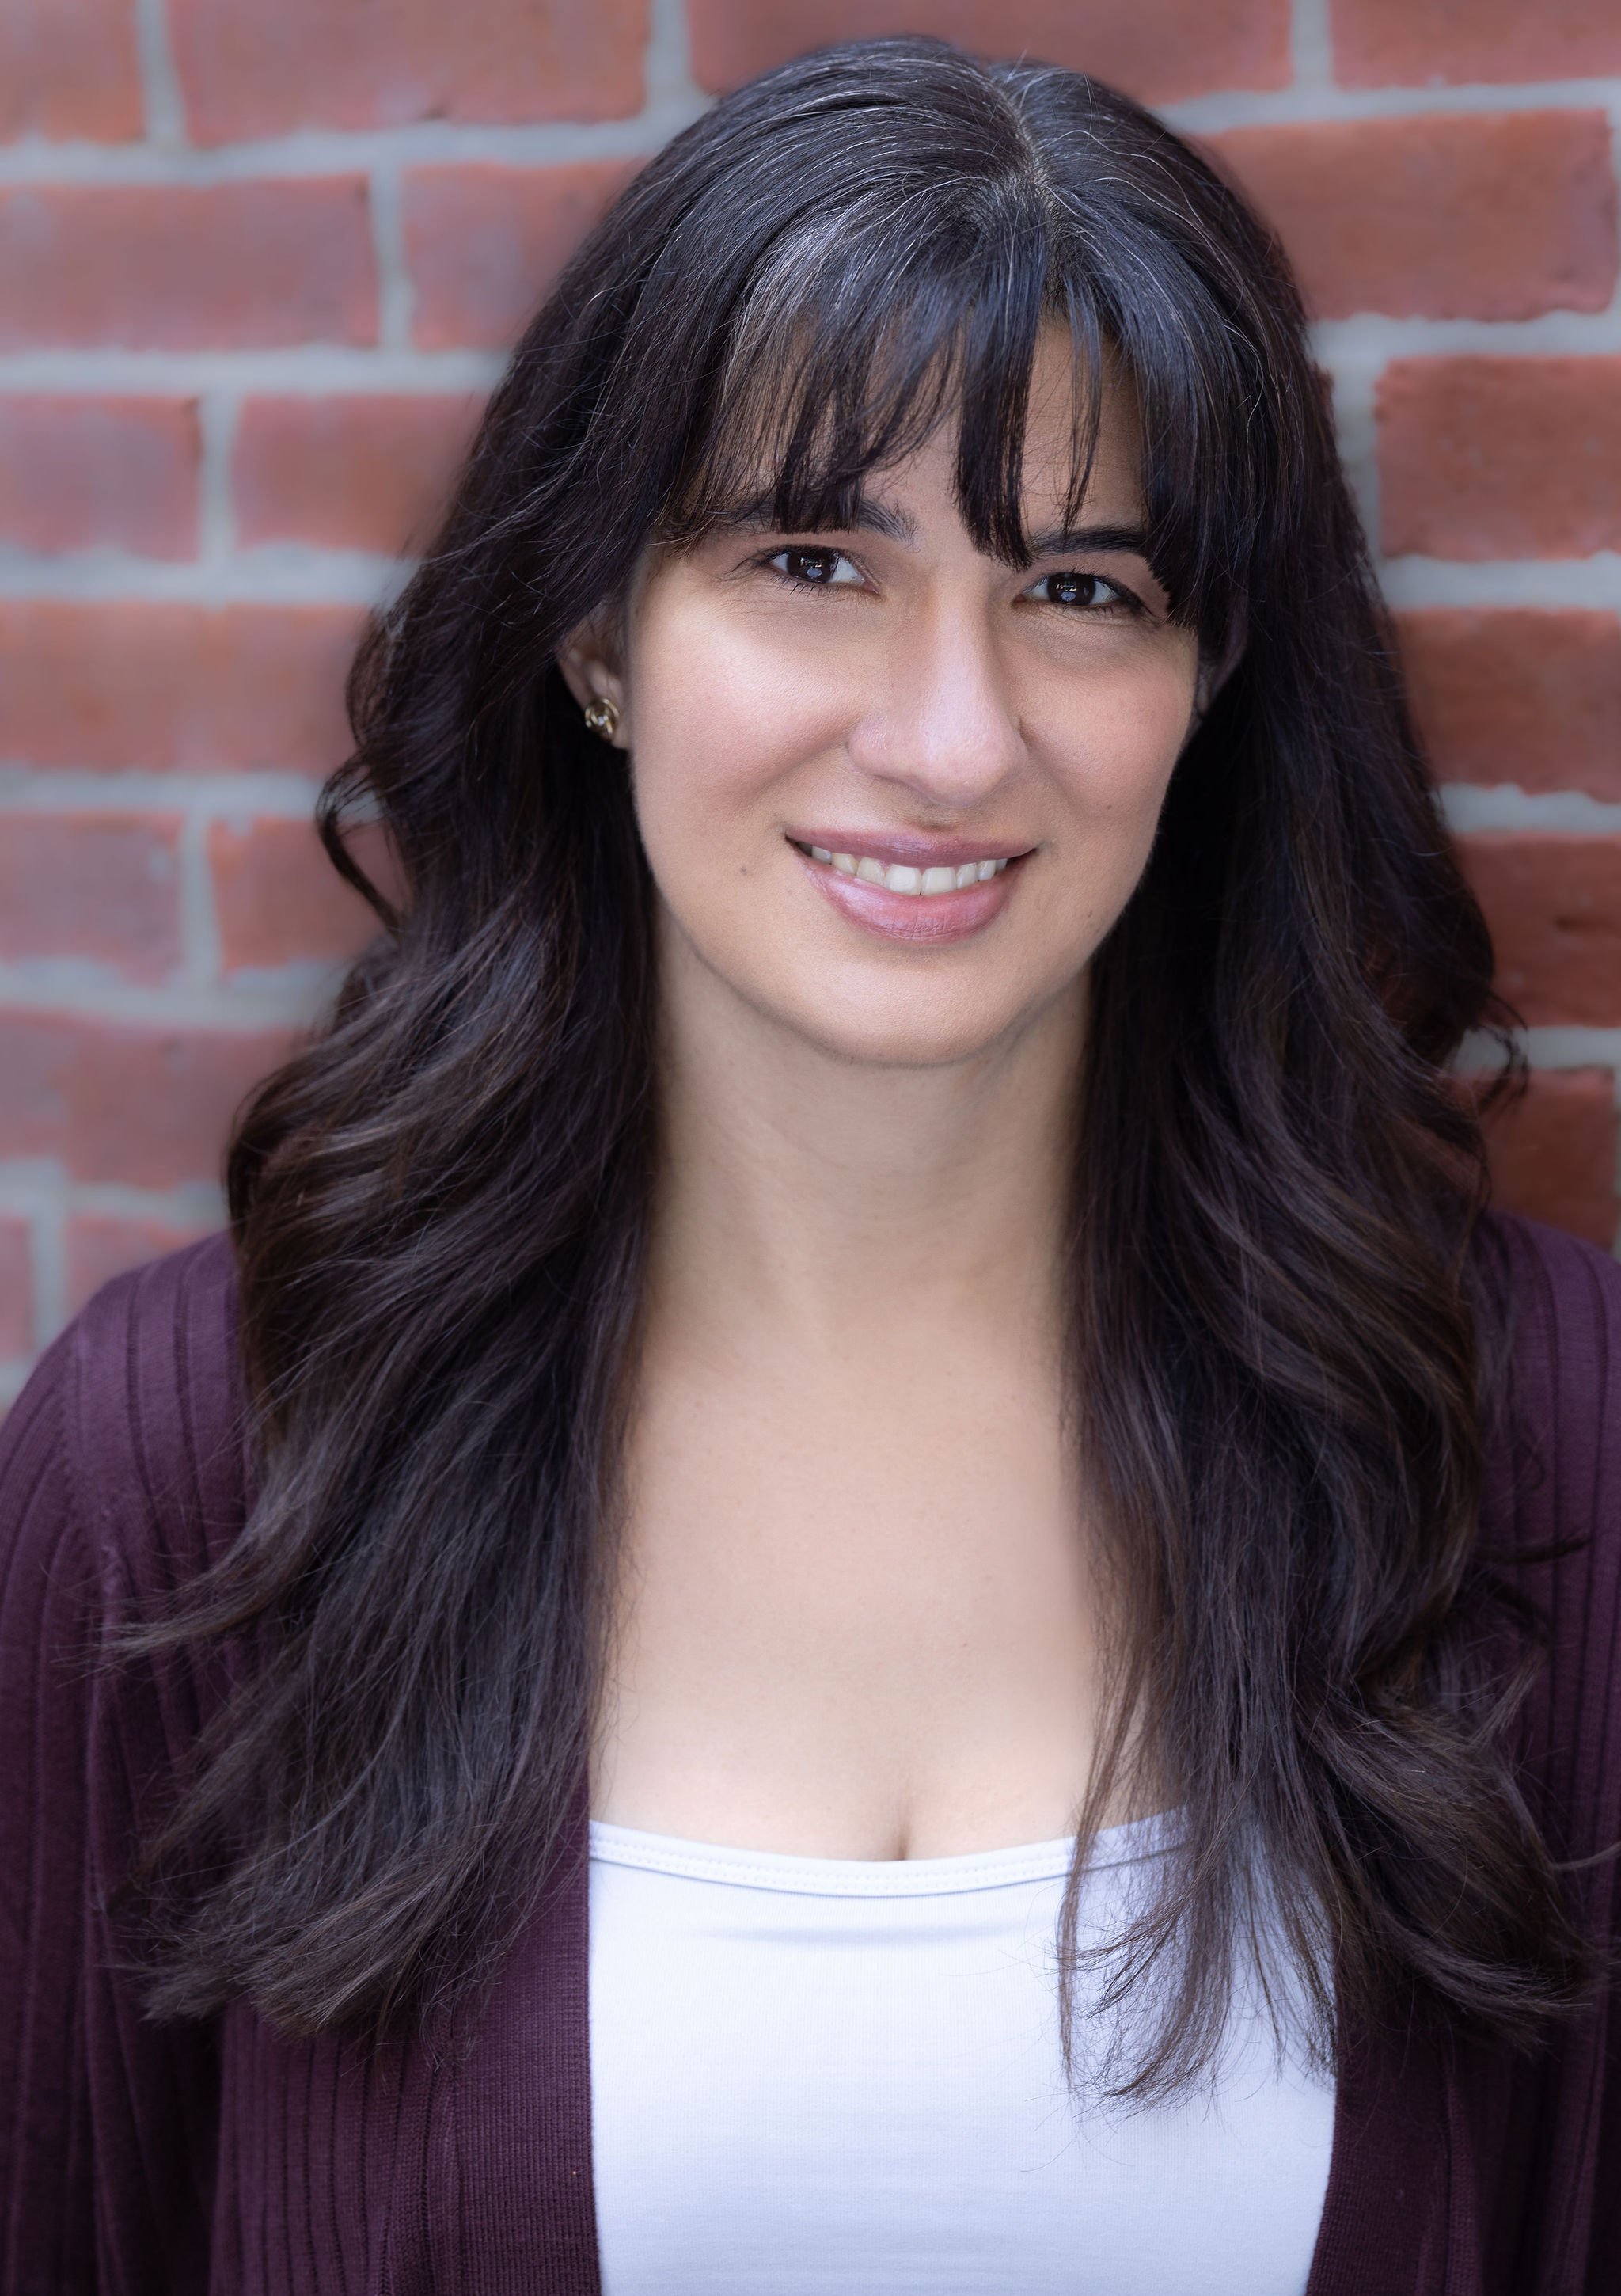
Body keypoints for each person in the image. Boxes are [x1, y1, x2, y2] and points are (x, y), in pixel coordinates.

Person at [2, 36, 1617, 2296]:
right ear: (596, 633)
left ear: (1210, 674)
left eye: (1083, 591)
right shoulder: (191, 1474)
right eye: (812, 560)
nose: (951, 741)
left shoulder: (1535, 1437)